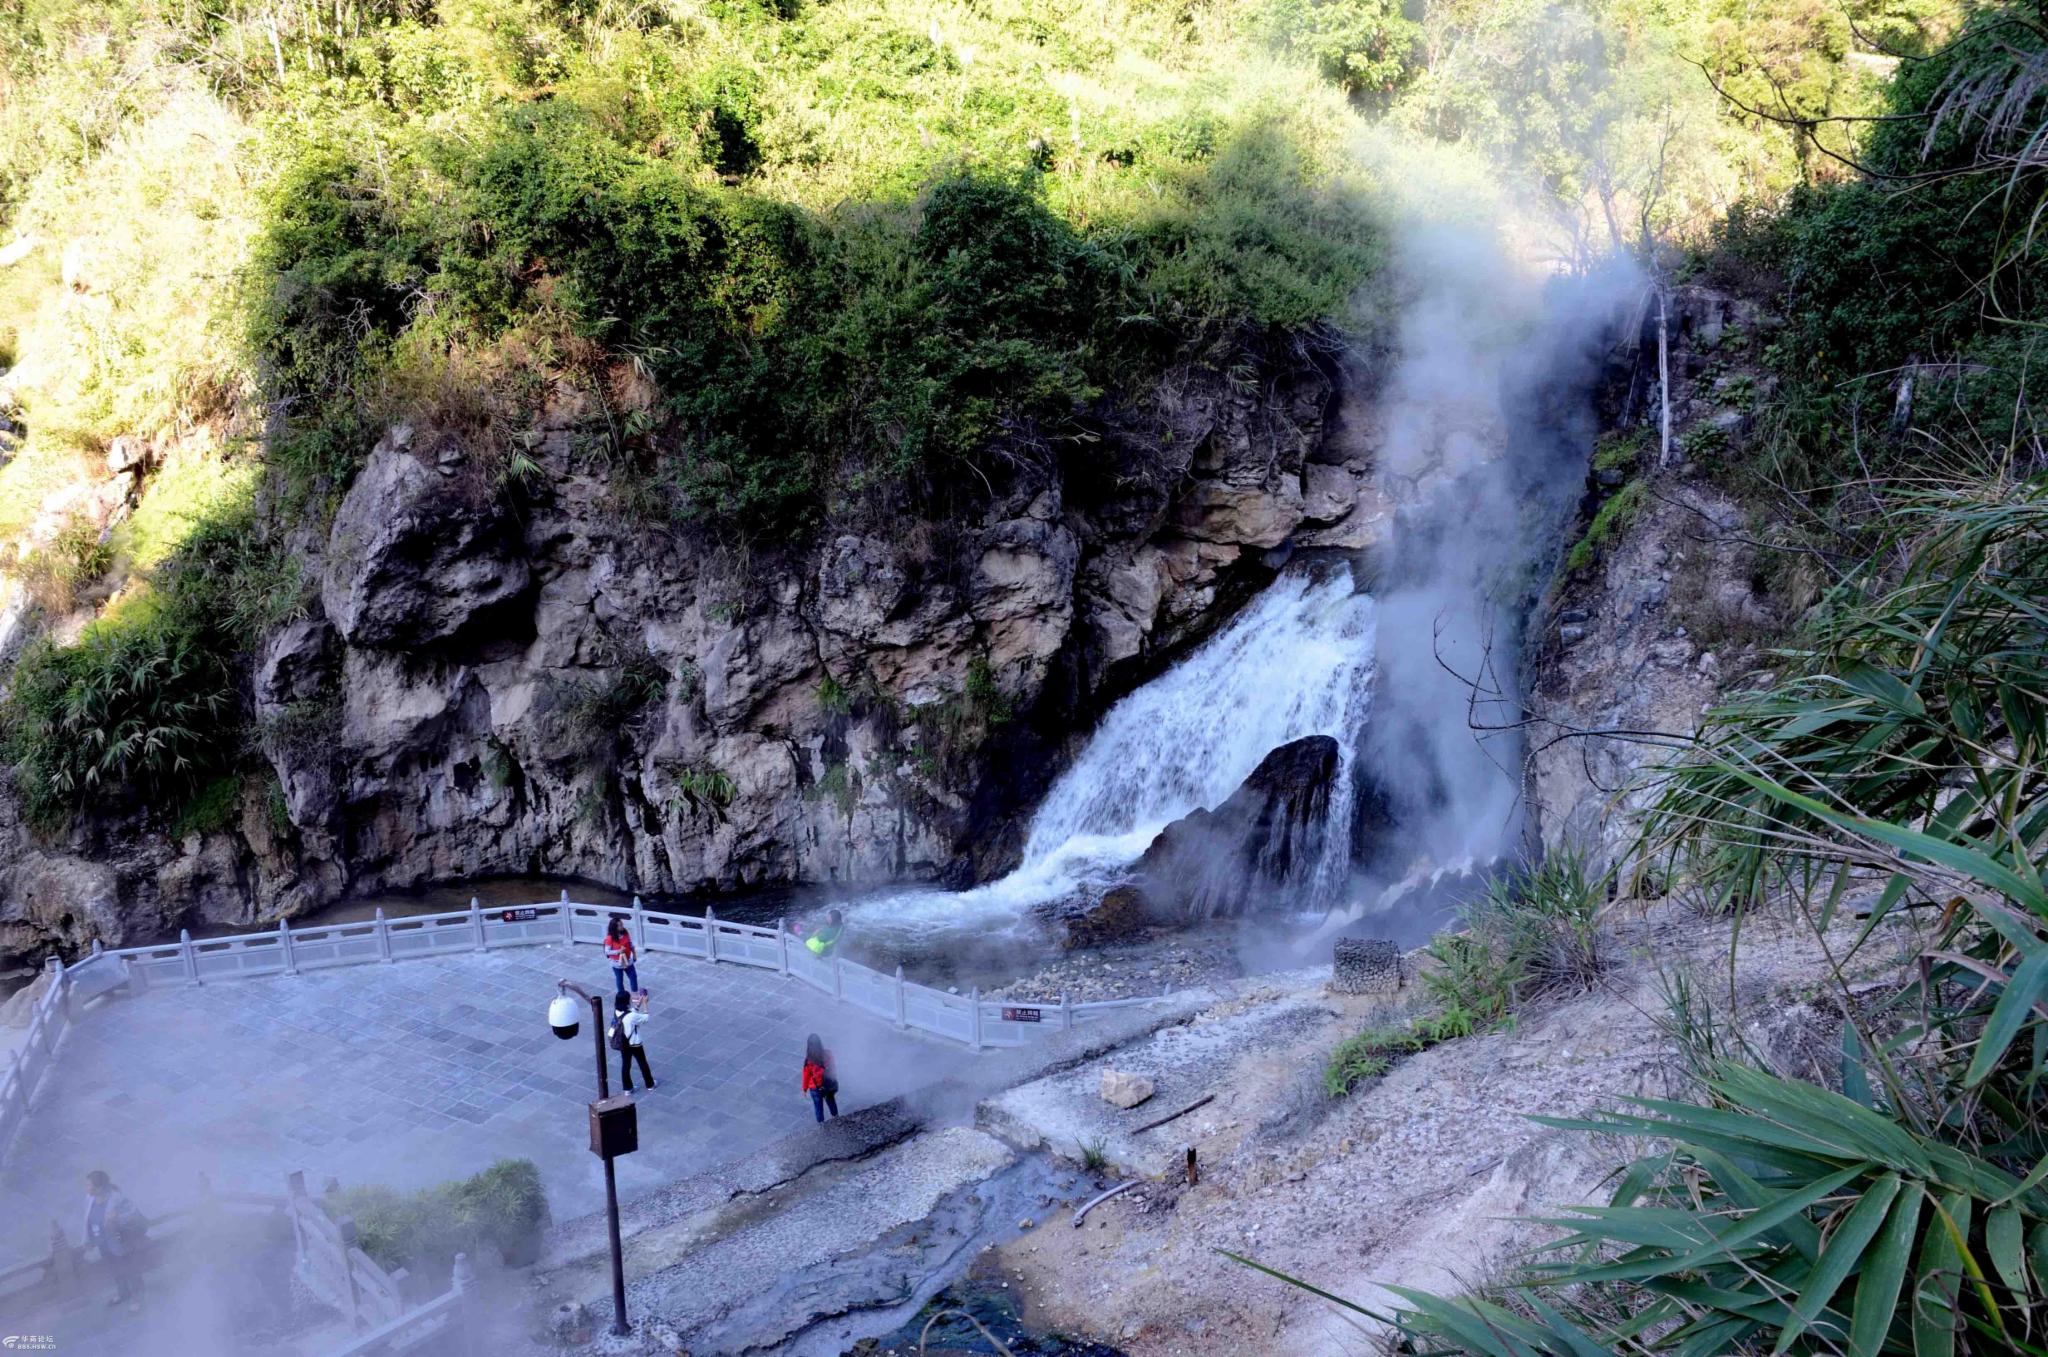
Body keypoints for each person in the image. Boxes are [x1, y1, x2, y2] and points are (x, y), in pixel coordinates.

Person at [83, 1169, 145, 1312]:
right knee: (115, 1269)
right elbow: (87, 1221)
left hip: (120, 1241)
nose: (86, 1188)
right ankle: (123, 1293)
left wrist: (116, 1218)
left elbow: (133, 1214)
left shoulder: (117, 1199)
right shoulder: (89, 1199)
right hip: (102, 1242)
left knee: (130, 1269)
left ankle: (138, 1297)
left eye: (88, 1185)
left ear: (98, 1188)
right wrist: (88, 1241)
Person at [611, 992, 655, 1093]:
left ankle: (627, 1088)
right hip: (634, 1043)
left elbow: (630, 1013)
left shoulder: (617, 1012)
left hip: (623, 1043)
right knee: (642, 1063)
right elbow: (645, 1018)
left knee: (626, 1065)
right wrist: (645, 1004)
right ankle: (650, 1084)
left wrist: (637, 1005)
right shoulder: (631, 1016)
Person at [801, 1033, 839, 1122]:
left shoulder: (809, 1061)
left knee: (818, 1107)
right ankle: (836, 1118)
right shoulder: (828, 1053)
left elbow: (806, 1076)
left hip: (815, 1088)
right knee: (831, 1101)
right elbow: (833, 1067)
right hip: (828, 1084)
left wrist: (804, 1089)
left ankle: (821, 1125)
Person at [604, 916, 639, 995]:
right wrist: (618, 951)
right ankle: (622, 996)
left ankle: (635, 995)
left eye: (622, 924)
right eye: (620, 925)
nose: (622, 926)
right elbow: (607, 952)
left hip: (628, 960)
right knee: (619, 980)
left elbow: (630, 944)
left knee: (633, 977)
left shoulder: (625, 933)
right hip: (617, 963)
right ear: (615, 927)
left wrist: (634, 954)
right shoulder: (610, 938)